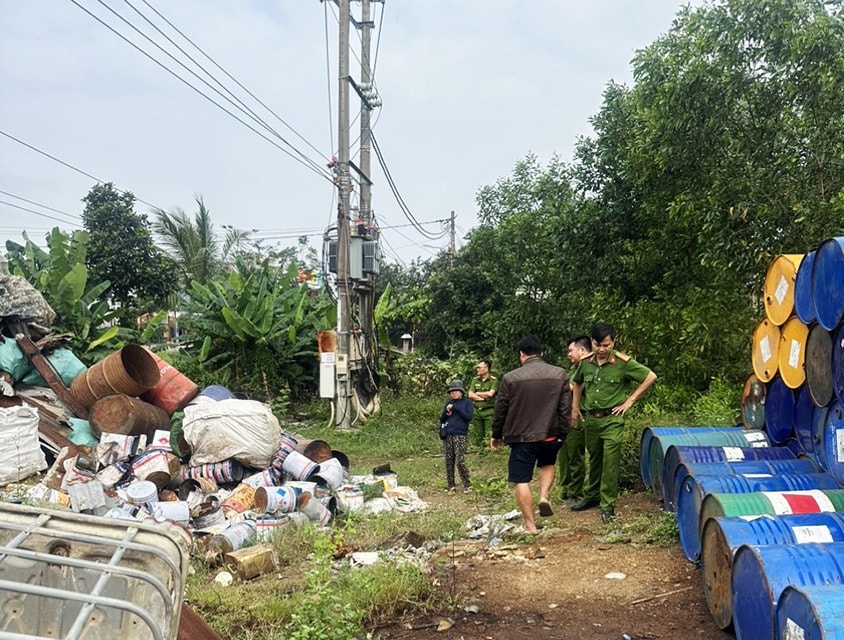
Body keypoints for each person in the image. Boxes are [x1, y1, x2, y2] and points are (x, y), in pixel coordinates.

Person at [571, 323, 657, 523]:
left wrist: (631, 400)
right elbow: (577, 383)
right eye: (598, 345)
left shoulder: (622, 362)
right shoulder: (585, 362)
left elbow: (650, 376)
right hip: (591, 419)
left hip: (612, 419)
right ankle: (591, 495)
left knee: (610, 460)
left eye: (606, 345)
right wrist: (575, 408)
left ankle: (607, 504)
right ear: (591, 343)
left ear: (613, 342)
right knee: (595, 457)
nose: (602, 349)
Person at [491, 336, 571, 533]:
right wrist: (563, 432)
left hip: (521, 436)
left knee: (522, 479)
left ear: (521, 354)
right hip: (551, 434)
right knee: (547, 464)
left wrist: (496, 434)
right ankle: (544, 496)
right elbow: (564, 408)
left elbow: (501, 408)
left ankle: (530, 524)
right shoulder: (560, 374)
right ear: (541, 353)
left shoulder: (510, 378)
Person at [558, 335, 592, 502]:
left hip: (579, 416)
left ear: (583, 350)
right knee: (563, 454)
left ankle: (575, 491)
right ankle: (565, 487)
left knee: (575, 455)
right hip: (565, 417)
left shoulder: (589, 367)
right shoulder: (574, 368)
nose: (568, 355)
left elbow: (571, 387)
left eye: (571, 351)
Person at [440, 379, 474, 492]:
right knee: (449, 461)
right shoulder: (448, 403)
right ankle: (451, 485)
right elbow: (442, 419)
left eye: (456, 391)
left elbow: (468, 417)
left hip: (460, 435)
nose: (454, 393)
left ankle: (467, 484)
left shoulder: (467, 403)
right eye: (452, 391)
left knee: (460, 460)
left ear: (461, 392)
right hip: (448, 434)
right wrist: (446, 412)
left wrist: (456, 409)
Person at [467, 359, 498, 451]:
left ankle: (489, 452)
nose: (477, 370)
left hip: (488, 411)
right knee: (478, 434)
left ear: (486, 369)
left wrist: (478, 393)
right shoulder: (475, 380)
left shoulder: (493, 380)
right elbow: (470, 394)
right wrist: (484, 398)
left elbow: (491, 394)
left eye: (479, 368)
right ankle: (480, 452)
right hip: (477, 411)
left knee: (488, 433)